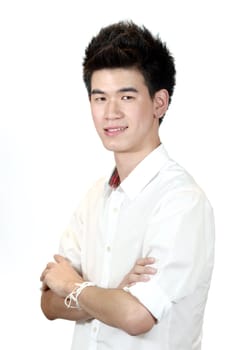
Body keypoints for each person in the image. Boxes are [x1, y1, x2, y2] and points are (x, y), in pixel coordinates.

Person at [40, 20, 215, 350]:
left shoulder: (181, 201)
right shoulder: (94, 198)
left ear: (159, 103)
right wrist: (110, 294)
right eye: (100, 97)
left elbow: (137, 316)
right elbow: (48, 302)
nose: (111, 113)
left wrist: (76, 288)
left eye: (127, 96)